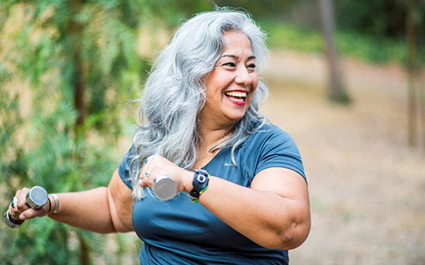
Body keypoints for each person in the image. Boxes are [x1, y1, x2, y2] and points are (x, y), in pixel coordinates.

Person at [7, 8, 310, 264]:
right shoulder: (158, 141)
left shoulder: (267, 144)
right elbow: (115, 210)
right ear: (192, 73)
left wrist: (192, 182)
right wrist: (51, 204)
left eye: (251, 66)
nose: (245, 78)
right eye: (230, 65)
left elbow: (289, 226)